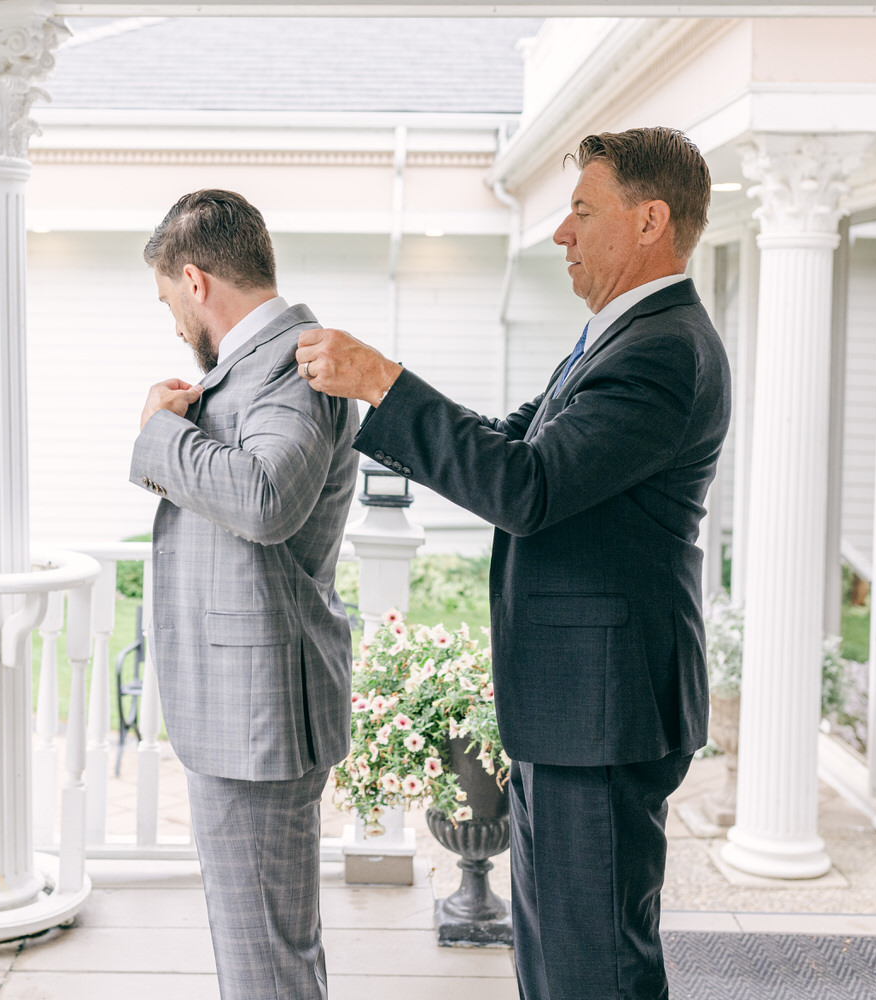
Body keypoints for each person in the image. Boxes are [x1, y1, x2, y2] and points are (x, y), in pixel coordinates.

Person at [294, 127, 731, 1000]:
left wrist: (384, 381)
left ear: (651, 221)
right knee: (551, 962)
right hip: (573, 710)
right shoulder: (614, 338)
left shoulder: (660, 351)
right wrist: (376, 398)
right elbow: (508, 438)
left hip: (603, 717)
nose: (561, 234)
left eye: (580, 211)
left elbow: (525, 487)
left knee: (593, 970)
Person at [130, 189, 358, 1000]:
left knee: (265, 962)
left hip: (256, 712)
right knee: (260, 951)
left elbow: (265, 499)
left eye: (168, 301)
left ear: (195, 281)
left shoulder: (295, 364)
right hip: (242, 705)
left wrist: (160, 434)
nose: (172, 323)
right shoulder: (259, 367)